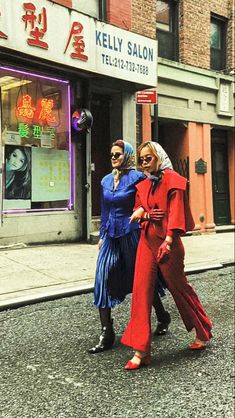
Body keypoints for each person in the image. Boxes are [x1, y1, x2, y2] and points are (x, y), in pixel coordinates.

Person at [121, 141, 212, 370]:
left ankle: (203, 331)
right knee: (141, 291)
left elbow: (175, 213)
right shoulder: (144, 185)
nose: (144, 163)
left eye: (147, 158)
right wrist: (145, 214)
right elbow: (138, 212)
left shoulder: (173, 180)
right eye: (141, 160)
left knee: (179, 288)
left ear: (158, 157)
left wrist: (169, 240)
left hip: (168, 243)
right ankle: (141, 350)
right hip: (147, 241)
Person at [88, 139, 171, 354]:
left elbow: (149, 199)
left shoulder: (138, 177)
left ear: (127, 155)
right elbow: (105, 210)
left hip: (133, 235)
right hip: (111, 237)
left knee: (143, 281)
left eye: (118, 154)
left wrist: (144, 211)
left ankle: (162, 316)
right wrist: (102, 235)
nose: (114, 158)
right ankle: (107, 331)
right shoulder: (106, 180)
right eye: (112, 154)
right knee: (102, 277)